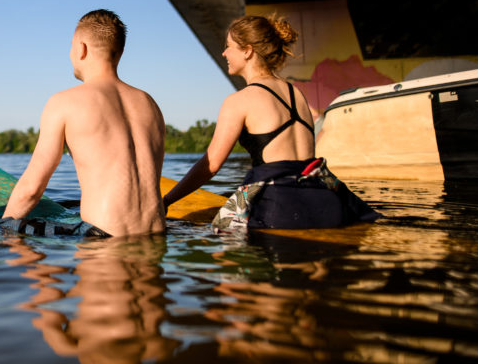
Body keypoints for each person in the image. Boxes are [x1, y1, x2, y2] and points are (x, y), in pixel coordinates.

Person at [162, 14, 379, 230]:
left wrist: (167, 201)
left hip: (281, 207)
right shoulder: (297, 93)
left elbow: (210, 166)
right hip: (327, 199)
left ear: (247, 51)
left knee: (216, 240)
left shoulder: (239, 100)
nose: (224, 53)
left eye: (228, 46)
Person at [0, 9, 167, 238]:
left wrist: (3, 225)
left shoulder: (64, 102)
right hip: (157, 232)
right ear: (119, 52)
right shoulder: (149, 103)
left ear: (81, 48)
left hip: (102, 236)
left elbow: (32, 189)